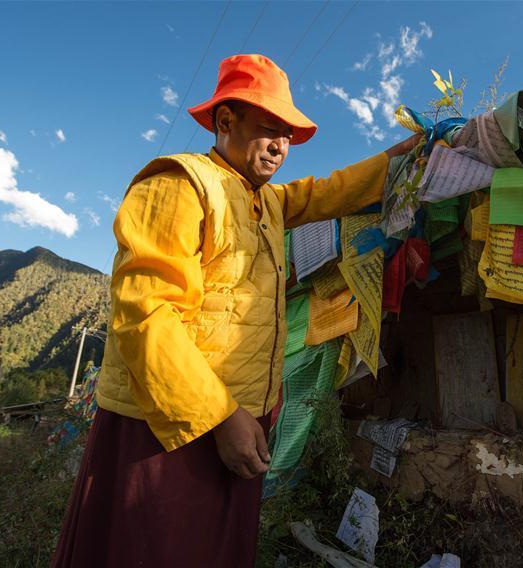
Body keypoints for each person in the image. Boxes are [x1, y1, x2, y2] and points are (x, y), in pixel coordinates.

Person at [51, 54, 418, 567]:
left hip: (239, 420)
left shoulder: (266, 201)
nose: (280, 148)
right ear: (226, 122)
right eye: (270, 130)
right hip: (166, 426)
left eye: (288, 136)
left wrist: (394, 162)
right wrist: (221, 418)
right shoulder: (179, 184)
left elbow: (324, 193)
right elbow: (146, 317)